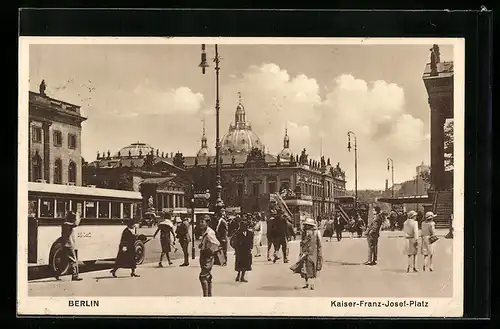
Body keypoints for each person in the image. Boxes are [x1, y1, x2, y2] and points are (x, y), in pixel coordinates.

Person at [290, 218, 323, 290]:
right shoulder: (304, 233)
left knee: (312, 268)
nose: (307, 227)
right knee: (304, 267)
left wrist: (320, 254)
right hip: (305, 253)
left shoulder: (317, 233)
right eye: (306, 225)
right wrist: (301, 252)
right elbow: (301, 243)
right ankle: (307, 283)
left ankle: (312, 283)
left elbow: (319, 244)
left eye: (308, 225)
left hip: (314, 253)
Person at [198, 215, 220, 297]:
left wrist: (209, 250)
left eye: (202, 222)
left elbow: (216, 244)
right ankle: (209, 296)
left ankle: (206, 297)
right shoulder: (205, 231)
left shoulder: (209, 233)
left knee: (202, 277)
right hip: (205, 256)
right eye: (200, 222)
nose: (200, 224)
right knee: (207, 276)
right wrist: (202, 245)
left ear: (207, 223)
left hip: (207, 257)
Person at [57, 210, 82, 281]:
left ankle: (57, 274)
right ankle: (75, 276)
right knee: (74, 260)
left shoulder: (65, 223)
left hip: (64, 245)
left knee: (64, 261)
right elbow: (76, 224)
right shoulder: (66, 224)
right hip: (69, 245)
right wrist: (78, 216)